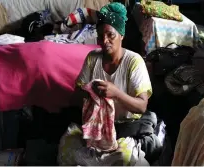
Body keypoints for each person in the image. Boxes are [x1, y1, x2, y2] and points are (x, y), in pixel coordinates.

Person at [58, 2, 161, 166]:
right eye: (100, 36)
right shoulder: (93, 58)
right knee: (66, 149)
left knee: (124, 157)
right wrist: (89, 92)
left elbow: (141, 106)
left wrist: (116, 94)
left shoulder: (133, 61)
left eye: (110, 35)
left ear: (121, 35)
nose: (104, 41)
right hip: (96, 126)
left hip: (126, 126)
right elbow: (75, 97)